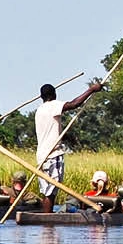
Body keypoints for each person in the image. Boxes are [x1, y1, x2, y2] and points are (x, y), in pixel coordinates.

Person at [34, 81, 104, 213]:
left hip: (41, 155)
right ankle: (48, 221)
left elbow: (52, 131)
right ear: (54, 94)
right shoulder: (52, 105)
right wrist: (92, 90)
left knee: (47, 190)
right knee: (51, 191)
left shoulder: (40, 110)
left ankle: (46, 221)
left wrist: (67, 137)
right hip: (52, 154)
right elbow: (74, 104)